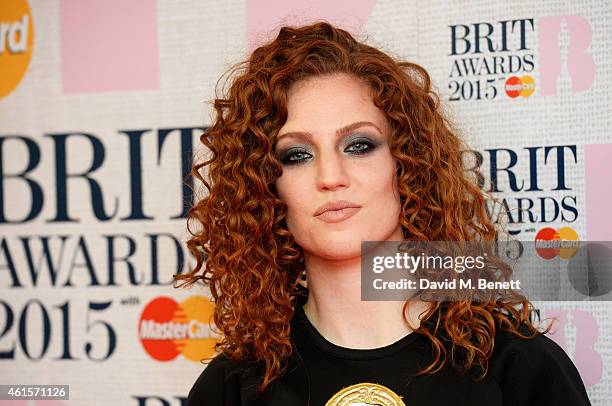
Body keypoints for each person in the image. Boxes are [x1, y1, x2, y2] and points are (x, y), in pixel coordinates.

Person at [174, 21, 592, 406]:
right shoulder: (234, 385)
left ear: (407, 164)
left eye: (358, 145)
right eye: (297, 154)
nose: (330, 177)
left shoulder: (515, 366)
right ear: (265, 186)